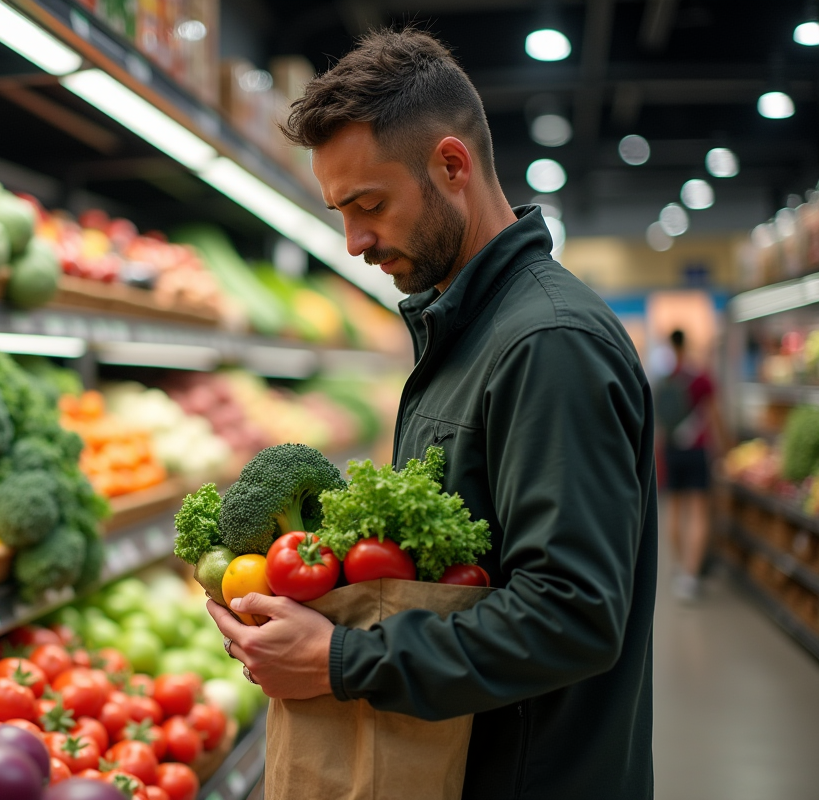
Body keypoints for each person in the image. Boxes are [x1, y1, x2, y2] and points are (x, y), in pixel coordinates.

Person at [207, 28, 657, 800]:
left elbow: (573, 615)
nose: (354, 241)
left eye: (370, 205)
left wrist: (342, 660)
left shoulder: (548, 344)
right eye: (340, 212)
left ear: (452, 166)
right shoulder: (464, 330)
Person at [655, 329, 718, 601]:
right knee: (698, 511)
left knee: (674, 510)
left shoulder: (665, 379)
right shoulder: (700, 377)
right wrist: (724, 446)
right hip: (696, 450)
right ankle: (690, 577)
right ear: (687, 344)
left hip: (671, 450)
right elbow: (713, 414)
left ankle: (680, 568)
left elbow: (659, 422)